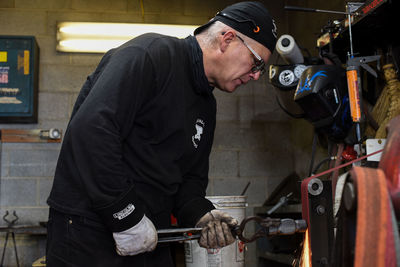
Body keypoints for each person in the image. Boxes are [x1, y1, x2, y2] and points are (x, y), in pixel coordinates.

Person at [46, 1, 277, 266]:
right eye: (256, 62)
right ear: (227, 39)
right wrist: (125, 214)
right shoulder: (150, 55)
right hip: (89, 232)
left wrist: (202, 215)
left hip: (148, 234)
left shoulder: (206, 104)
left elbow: (189, 181)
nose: (256, 76)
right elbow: (91, 131)